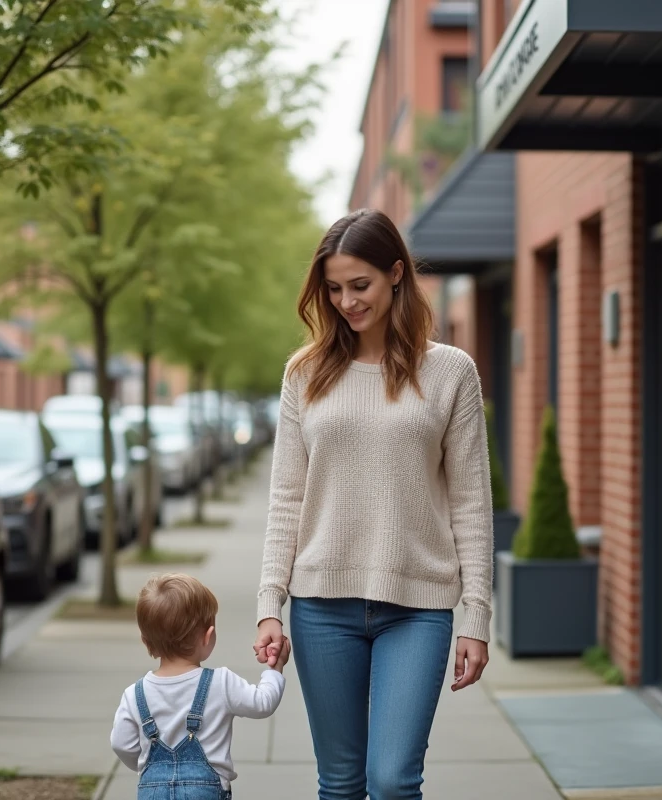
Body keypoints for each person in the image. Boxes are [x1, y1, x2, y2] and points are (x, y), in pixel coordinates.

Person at [253, 208, 493, 799]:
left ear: (395, 274)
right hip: (321, 608)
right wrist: (269, 605)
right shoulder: (305, 374)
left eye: (359, 285)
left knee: (391, 781)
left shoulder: (450, 372)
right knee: (339, 784)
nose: (346, 302)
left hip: (418, 608)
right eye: (333, 289)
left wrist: (477, 617)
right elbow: (286, 496)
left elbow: (470, 501)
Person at [112, 573, 291, 799]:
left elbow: (121, 744)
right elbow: (263, 703)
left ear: (146, 642)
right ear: (208, 636)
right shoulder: (221, 682)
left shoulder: (133, 695)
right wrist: (276, 668)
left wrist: (147, 766)